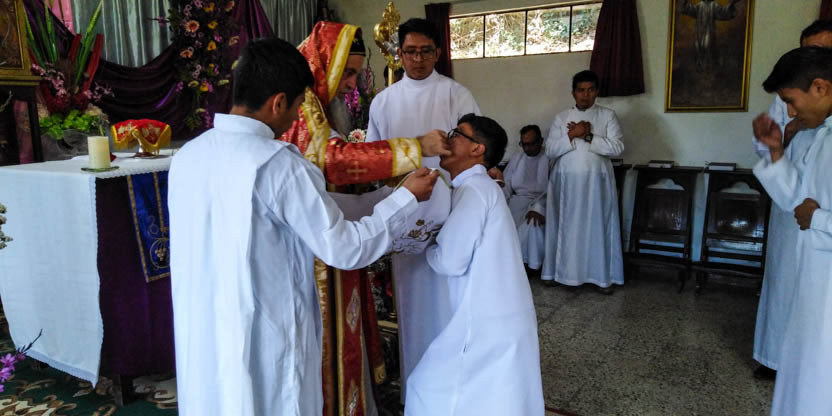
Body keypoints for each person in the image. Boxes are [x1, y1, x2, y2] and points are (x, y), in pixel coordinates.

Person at [168, 37, 440, 416]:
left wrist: (383, 198)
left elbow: (303, 212)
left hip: (206, 330)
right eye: (297, 106)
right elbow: (345, 249)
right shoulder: (279, 163)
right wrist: (405, 199)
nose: (297, 118)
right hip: (265, 335)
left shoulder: (188, 155)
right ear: (278, 102)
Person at [280, 22, 454, 415]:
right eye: (347, 72)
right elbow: (334, 161)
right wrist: (415, 148)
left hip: (344, 224)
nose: (351, 84)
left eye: (356, 74)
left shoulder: (453, 92)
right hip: (319, 247)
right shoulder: (305, 104)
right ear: (325, 65)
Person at [365, 17, 480, 398]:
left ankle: (452, 388)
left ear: (438, 52)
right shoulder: (383, 102)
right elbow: (374, 157)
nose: (417, 59)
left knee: (451, 295)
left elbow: (474, 152)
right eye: (410, 51)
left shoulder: (456, 95)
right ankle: (416, 389)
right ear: (399, 53)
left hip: (450, 209)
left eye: (425, 51)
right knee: (412, 301)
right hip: (404, 210)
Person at [406, 114, 544, 416]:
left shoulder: (474, 190)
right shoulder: (479, 187)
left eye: (457, 134)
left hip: (484, 323)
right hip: (500, 318)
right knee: (493, 399)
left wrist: (421, 245)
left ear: (477, 149)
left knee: (425, 388)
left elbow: (451, 261)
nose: (447, 138)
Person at [750, 19, 832, 381]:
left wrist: (819, 219)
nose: (792, 111)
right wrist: (779, 142)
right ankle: (775, 357)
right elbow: (797, 194)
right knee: (785, 286)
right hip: (794, 218)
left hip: (820, 234)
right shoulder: (799, 102)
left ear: (821, 86)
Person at [541, 70, 624, 294]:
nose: (585, 95)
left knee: (597, 226)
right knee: (565, 225)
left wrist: (588, 136)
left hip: (596, 183)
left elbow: (617, 148)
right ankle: (558, 273)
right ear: (573, 93)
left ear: (596, 91)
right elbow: (550, 150)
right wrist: (572, 134)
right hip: (565, 183)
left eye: (590, 90)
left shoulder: (608, 116)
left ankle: (601, 277)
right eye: (580, 90)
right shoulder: (561, 118)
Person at [488, 124, 549, 272]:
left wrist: (539, 208)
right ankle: (509, 265)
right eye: (524, 144)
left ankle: (530, 265)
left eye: (531, 144)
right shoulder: (518, 157)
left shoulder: (549, 157)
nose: (527, 148)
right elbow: (506, 184)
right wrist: (500, 203)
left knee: (532, 223)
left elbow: (554, 189)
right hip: (517, 201)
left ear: (540, 141)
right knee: (502, 224)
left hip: (541, 202)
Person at [681, 0, 742, 72]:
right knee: (698, 47)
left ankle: (709, 66)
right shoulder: (700, 5)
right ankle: (700, 65)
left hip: (709, 30)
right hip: (699, 31)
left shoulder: (713, 5)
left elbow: (723, 12)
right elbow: (691, 10)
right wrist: (685, 4)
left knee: (707, 46)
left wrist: (731, 5)